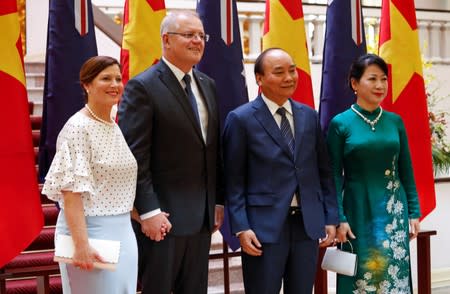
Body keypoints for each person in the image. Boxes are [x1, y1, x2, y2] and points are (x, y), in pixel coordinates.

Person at [117, 10, 224, 294]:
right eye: (189, 35)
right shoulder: (143, 86)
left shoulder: (208, 85)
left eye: (202, 35)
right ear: (166, 39)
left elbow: (211, 151)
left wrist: (217, 202)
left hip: (201, 217)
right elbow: (135, 158)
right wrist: (148, 210)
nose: (197, 41)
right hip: (162, 218)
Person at [223, 48, 338, 294]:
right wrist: (242, 227)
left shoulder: (308, 115)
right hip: (263, 227)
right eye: (279, 72)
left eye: (292, 70)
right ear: (260, 79)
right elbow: (233, 181)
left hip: (306, 224)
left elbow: (323, 172)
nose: (289, 77)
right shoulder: (241, 119)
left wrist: (329, 217)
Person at [42, 56, 138, 294]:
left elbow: (112, 184)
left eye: (118, 78)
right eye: (105, 78)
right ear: (86, 85)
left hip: (124, 232)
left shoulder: (112, 125)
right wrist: (81, 244)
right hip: (89, 235)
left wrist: (142, 215)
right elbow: (71, 193)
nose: (114, 84)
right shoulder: (77, 128)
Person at [326, 53, 421, 293]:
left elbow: (406, 170)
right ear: (355, 83)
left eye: (384, 79)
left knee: (394, 272)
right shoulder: (340, 123)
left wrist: (414, 211)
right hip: (356, 211)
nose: (380, 85)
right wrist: (339, 218)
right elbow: (334, 175)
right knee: (360, 273)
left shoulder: (395, 122)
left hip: (392, 209)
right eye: (372, 79)